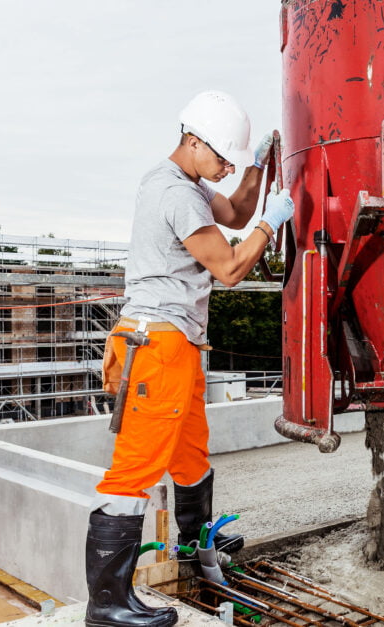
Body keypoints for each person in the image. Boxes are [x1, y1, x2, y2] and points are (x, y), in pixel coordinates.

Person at [85, 90, 294, 627]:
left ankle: (195, 541)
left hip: (178, 342)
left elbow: (236, 209)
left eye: (231, 161)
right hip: (155, 345)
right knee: (134, 469)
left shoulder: (191, 187)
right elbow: (228, 266)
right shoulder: (175, 195)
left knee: (191, 453)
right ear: (193, 141)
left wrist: (256, 169)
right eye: (222, 158)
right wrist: (271, 223)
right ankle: (107, 604)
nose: (225, 169)